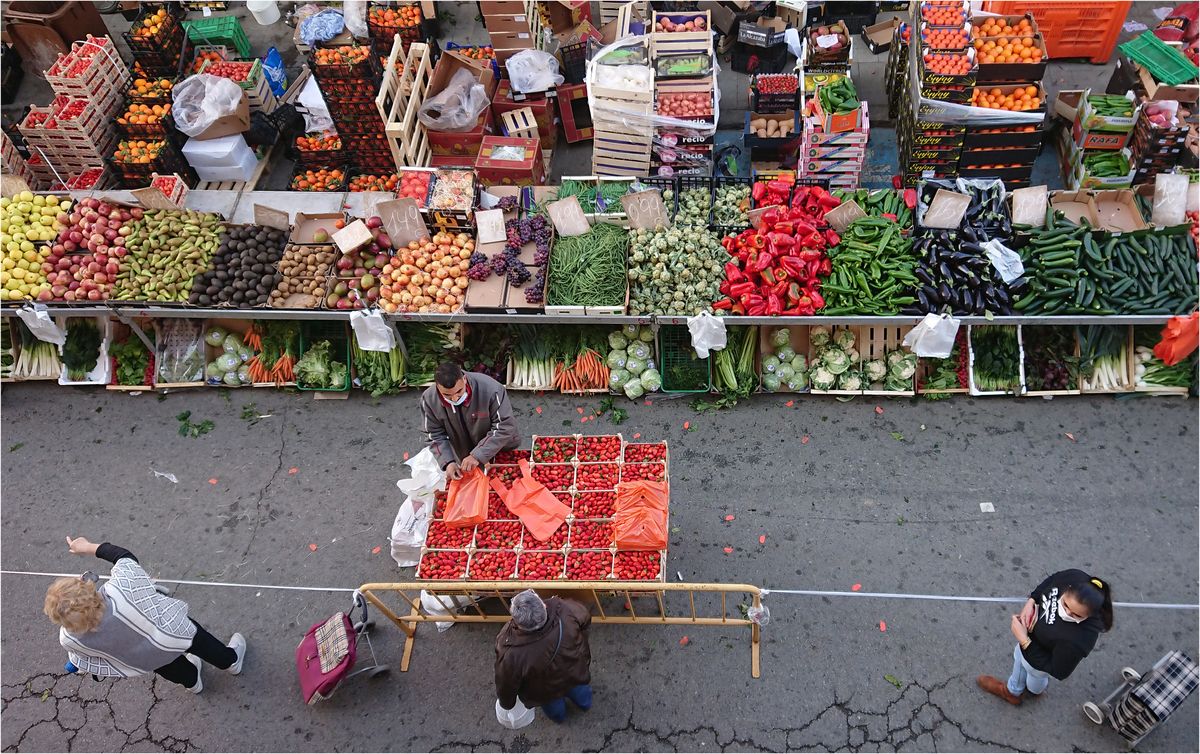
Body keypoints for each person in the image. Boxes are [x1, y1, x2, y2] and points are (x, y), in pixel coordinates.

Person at [43, 536, 247, 694]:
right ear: (88, 588)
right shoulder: (120, 589)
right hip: (173, 630)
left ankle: (193, 682)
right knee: (201, 643)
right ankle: (230, 661)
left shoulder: (68, 638)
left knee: (169, 667)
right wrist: (87, 546)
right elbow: (124, 557)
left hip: (145, 657)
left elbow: (82, 656)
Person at [978, 569, 1113, 705]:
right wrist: (1031, 601)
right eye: (1065, 604)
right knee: (1036, 683)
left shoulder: (1080, 640)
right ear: (1067, 589)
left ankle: (1011, 692)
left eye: (1076, 615)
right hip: (1037, 660)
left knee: (1023, 663)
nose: (1066, 613)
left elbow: (1058, 671)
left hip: (1036, 659)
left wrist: (1024, 640)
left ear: (1090, 615)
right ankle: (1034, 691)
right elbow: (1052, 580)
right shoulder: (1073, 577)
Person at [495, 590, 593, 724]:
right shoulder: (566, 610)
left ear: (517, 622)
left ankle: (560, 719)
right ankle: (585, 706)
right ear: (544, 606)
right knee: (582, 695)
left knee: (555, 710)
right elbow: (585, 619)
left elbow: (507, 681)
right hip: (575, 672)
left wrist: (507, 704)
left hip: (545, 692)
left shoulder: (510, 650)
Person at [421, 361, 519, 480]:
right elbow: (434, 434)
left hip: (498, 447)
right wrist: (448, 462)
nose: (455, 398)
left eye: (459, 391)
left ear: (464, 379)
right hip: (463, 453)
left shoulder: (491, 389)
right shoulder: (429, 399)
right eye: (447, 395)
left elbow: (504, 426)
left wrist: (478, 454)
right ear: (437, 386)